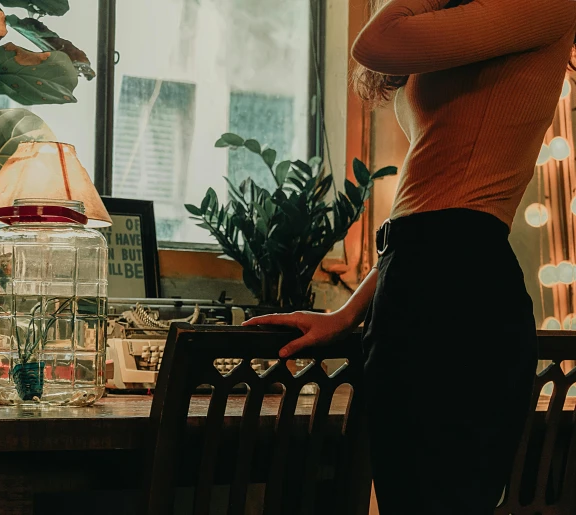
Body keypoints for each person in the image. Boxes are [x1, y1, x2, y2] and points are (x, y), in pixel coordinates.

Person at [244, 0, 576, 513]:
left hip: (459, 285)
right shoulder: (474, 17)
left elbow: (373, 43)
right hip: (419, 273)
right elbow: (423, 208)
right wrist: (347, 313)